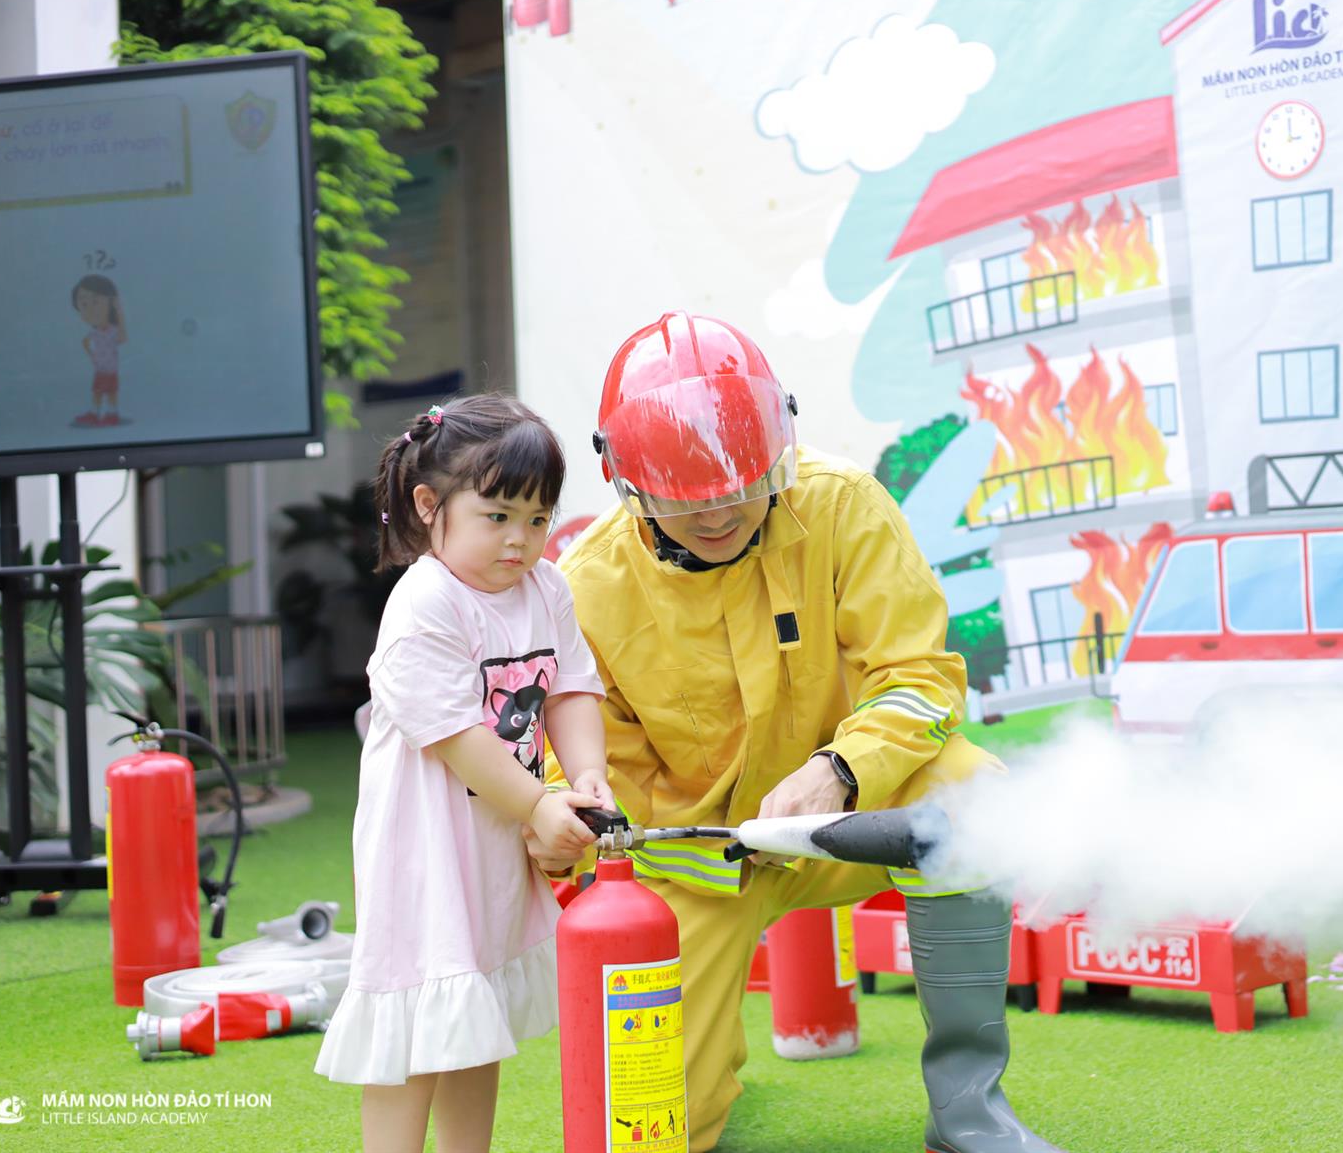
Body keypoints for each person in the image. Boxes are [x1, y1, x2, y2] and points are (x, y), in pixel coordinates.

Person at [538, 313, 1066, 1153]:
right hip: (699, 866)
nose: (720, 513)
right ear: (625, 481)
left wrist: (842, 770)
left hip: (852, 821)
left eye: (743, 486)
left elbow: (922, 680)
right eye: (687, 499)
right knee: (658, 1124)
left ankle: (968, 1110)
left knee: (971, 799)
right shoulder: (585, 588)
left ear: (778, 446)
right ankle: (708, 1069)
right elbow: (596, 783)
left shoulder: (845, 503)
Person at [315, 395, 615, 1153]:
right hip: (422, 850)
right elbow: (457, 738)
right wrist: (540, 804)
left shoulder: (546, 588)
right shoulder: (425, 603)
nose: (520, 539)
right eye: (497, 515)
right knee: (416, 1016)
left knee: (476, 1016)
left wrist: (587, 775)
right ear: (430, 505)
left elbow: (572, 688)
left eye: (538, 519)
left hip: (492, 841)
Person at [71, 274, 126, 426]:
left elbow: (122, 339)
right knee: (97, 392)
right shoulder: (94, 332)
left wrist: (119, 311)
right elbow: (85, 342)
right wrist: (92, 355)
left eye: (96, 302)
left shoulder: (113, 330)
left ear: (111, 303)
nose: (90, 309)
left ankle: (112, 414)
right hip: (100, 369)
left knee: (111, 392)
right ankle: (94, 414)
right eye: (84, 304)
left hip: (110, 369)